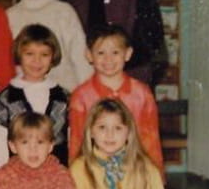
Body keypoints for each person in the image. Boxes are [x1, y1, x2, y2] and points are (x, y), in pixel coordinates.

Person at [68, 25, 163, 172]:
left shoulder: (142, 93)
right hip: (95, 171)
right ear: (89, 55)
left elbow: (151, 140)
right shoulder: (81, 96)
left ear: (128, 54)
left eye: (115, 52)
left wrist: (156, 176)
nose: (108, 59)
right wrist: (75, 177)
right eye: (101, 53)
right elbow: (77, 141)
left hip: (134, 169)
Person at [5, 0, 91, 92]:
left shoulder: (63, 11)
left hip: (64, 93)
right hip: (24, 93)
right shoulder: (9, 15)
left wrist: (86, 94)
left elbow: (80, 58)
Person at [0, 24, 70, 169]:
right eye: (29, 54)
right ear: (19, 54)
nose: (37, 61)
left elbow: (73, 142)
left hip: (57, 175)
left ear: (52, 57)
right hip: (17, 176)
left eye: (44, 55)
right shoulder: (6, 100)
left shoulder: (64, 98)